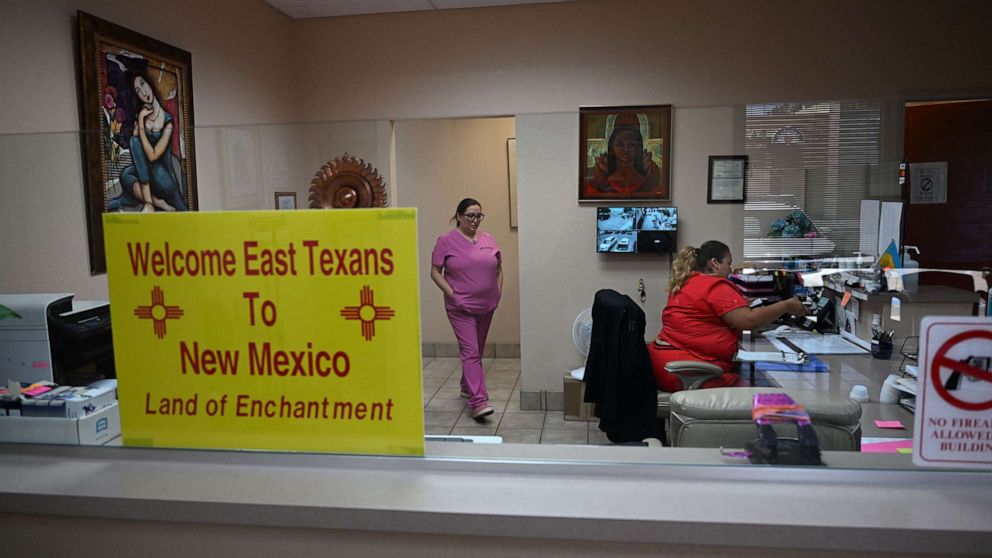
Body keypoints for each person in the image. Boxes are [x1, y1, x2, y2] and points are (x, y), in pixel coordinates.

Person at [648, 241, 808, 392]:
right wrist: (786, 305)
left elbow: (706, 320)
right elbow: (748, 320)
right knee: (766, 395)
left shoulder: (688, 282)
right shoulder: (714, 285)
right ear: (715, 263)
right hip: (690, 372)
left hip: (667, 367)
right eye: (728, 263)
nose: (731, 270)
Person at [430, 198, 503, 419]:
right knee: (471, 352)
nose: (475, 220)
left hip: (486, 305)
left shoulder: (489, 239)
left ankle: (465, 386)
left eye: (479, 215)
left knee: (476, 350)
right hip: (460, 307)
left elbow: (499, 269)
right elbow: (435, 272)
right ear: (459, 216)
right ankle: (478, 402)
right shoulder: (446, 241)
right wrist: (454, 296)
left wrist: (497, 293)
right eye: (470, 215)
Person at [109, 70, 188, 213]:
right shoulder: (143, 116)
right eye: (138, 91)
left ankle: (149, 204)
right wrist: (141, 119)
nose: (143, 93)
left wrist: (140, 122)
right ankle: (156, 202)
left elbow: (152, 155)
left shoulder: (167, 121)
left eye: (143, 85)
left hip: (162, 177)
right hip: (147, 174)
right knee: (125, 174)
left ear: (150, 85)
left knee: (135, 142)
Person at [584, 124, 661, 196]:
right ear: (612, 148)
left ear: (638, 148)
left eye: (632, 144)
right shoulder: (598, 176)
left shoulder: (651, 176)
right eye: (619, 144)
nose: (626, 149)